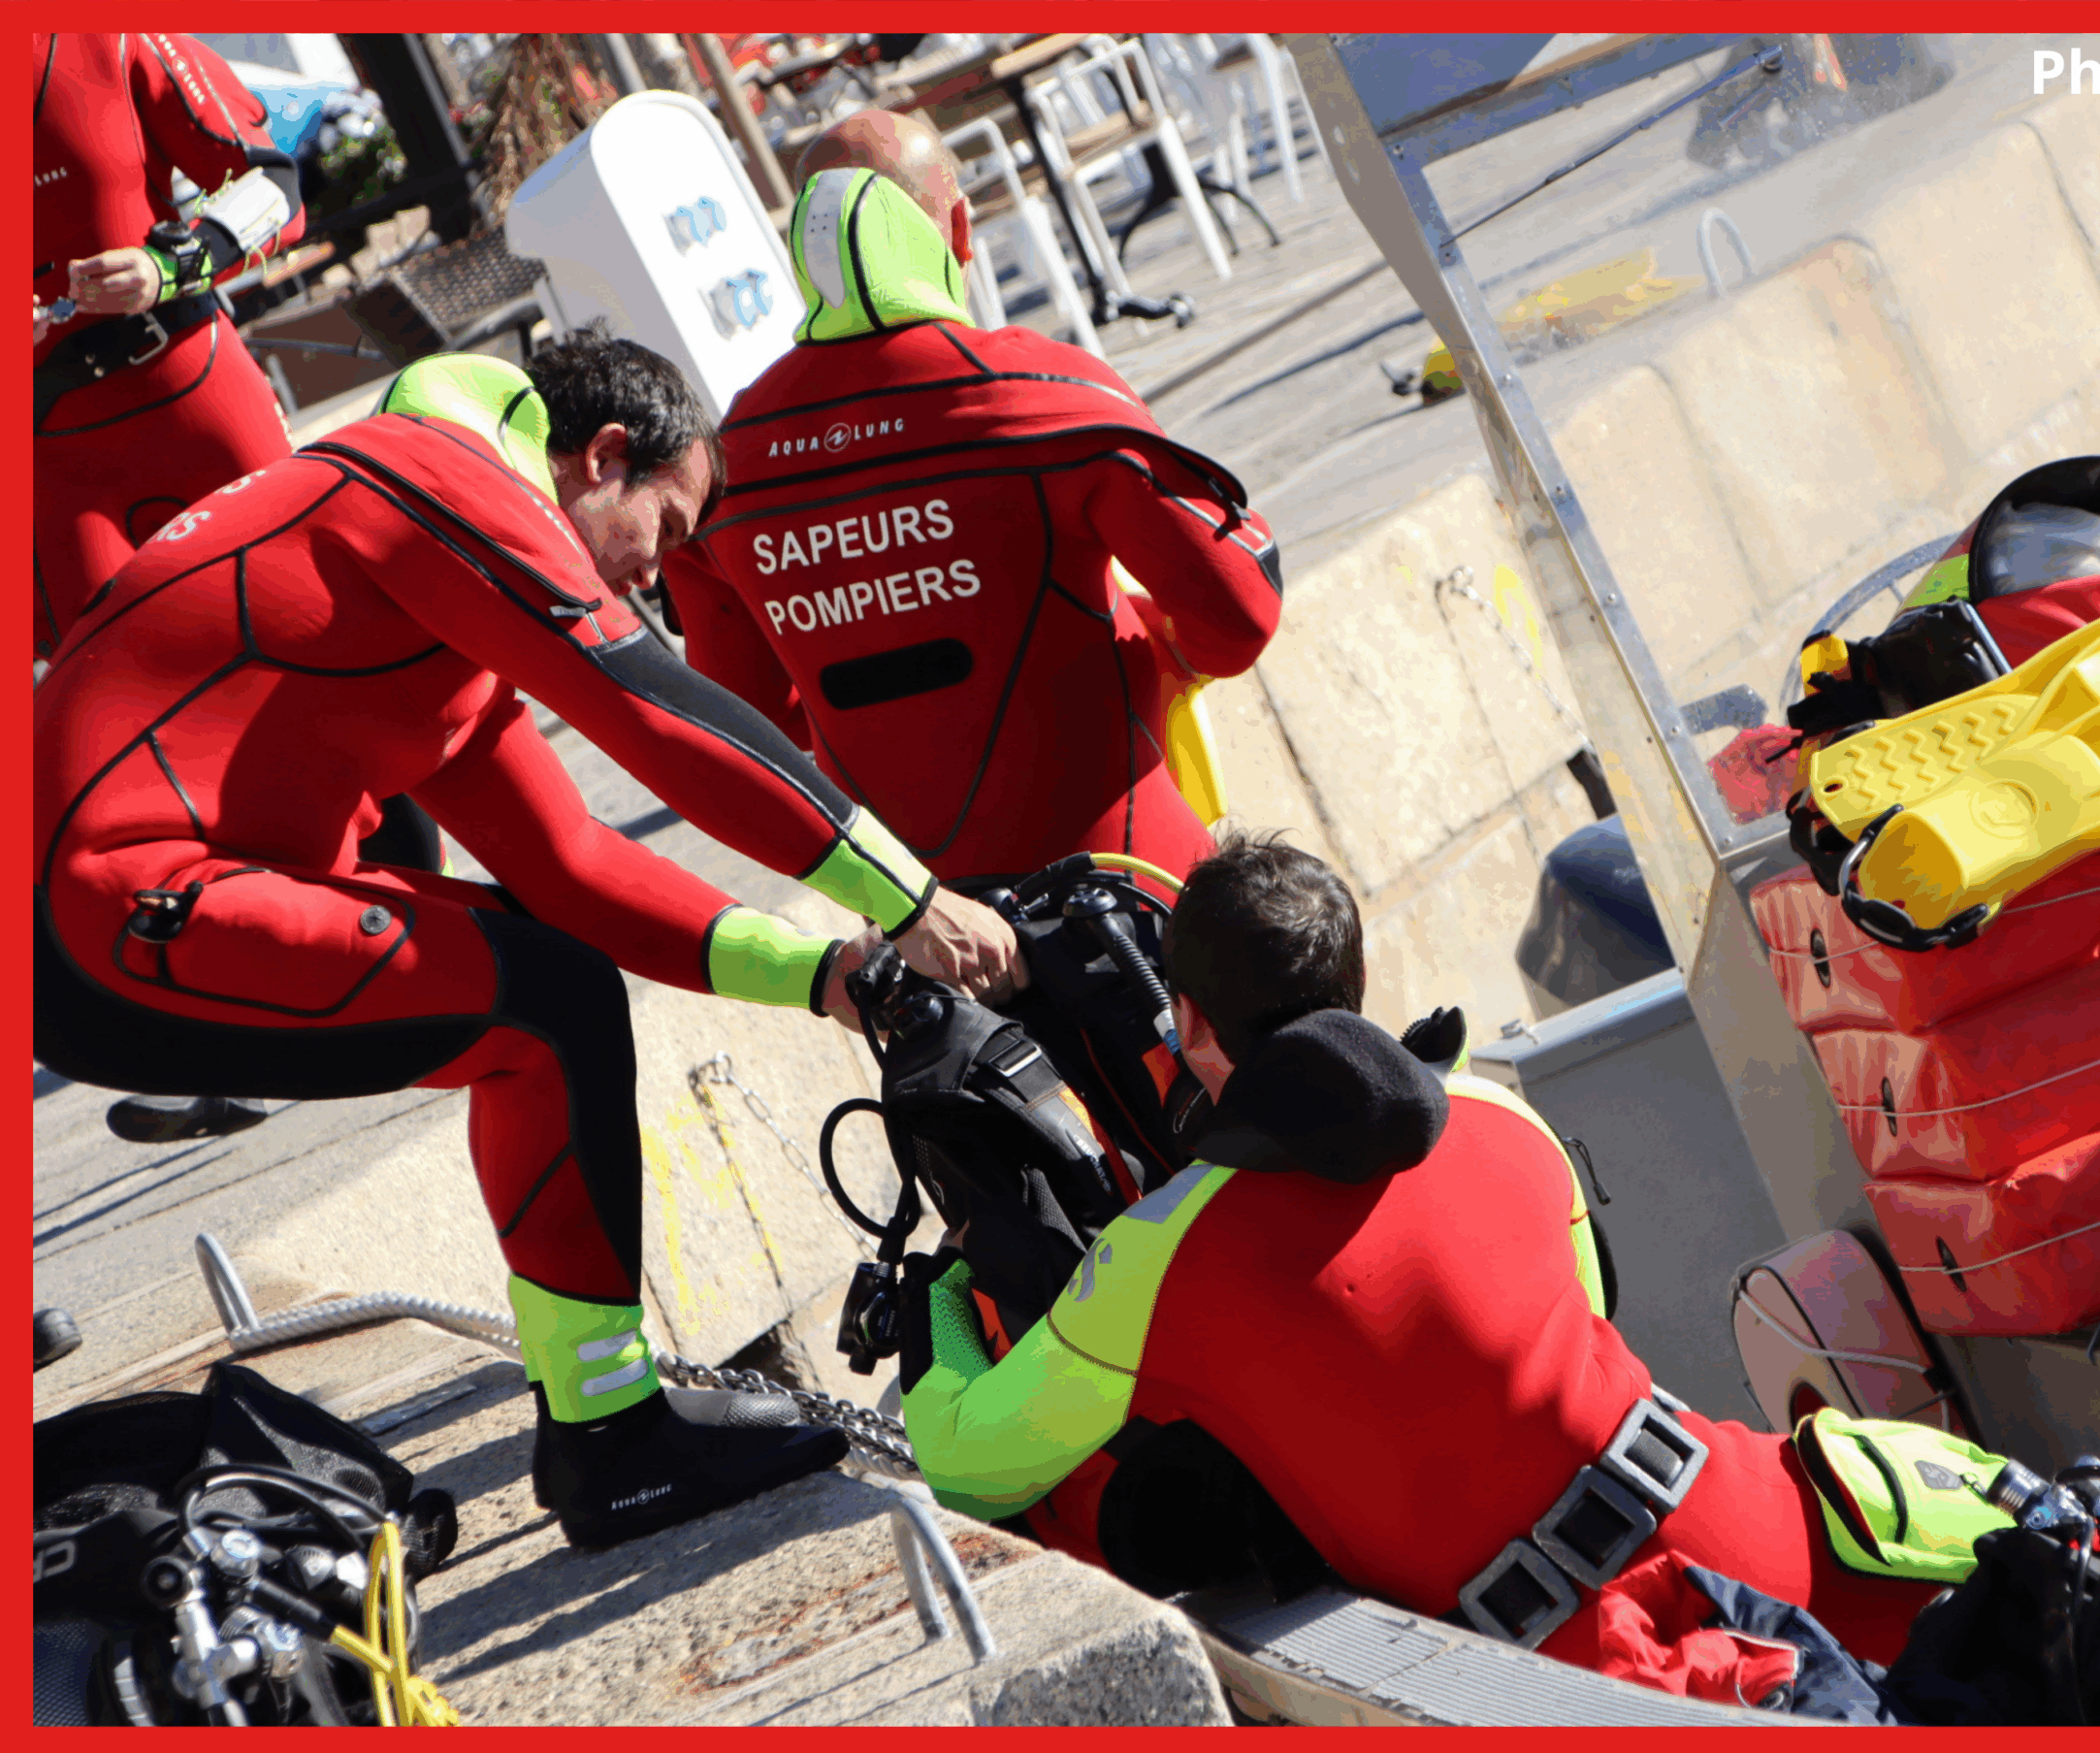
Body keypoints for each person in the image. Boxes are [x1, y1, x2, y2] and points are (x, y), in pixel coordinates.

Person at [34, 332, 1023, 1549]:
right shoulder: (439, 481)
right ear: (602, 458)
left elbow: (577, 867)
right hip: (105, 910)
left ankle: (600, 1414)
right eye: (662, 533)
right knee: (542, 1009)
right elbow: (656, 711)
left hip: (123, 903)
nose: (656, 582)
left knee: (548, 974)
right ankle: (609, 1438)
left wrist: (825, 975)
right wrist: (912, 895)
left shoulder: (437, 564)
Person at [895, 833, 1943, 1707]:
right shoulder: (1500, 1113)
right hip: (1784, 1534)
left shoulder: (1158, 1259)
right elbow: (1583, 1305)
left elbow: (967, 1462)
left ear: (1193, 1021)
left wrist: (941, 1298)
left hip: (1594, 1668)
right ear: (1350, 982)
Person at [661, 110, 1284, 896]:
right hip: (1132, 881)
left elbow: (752, 718)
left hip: (929, 927)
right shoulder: (1040, 395)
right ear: (959, 230)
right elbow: (1239, 613)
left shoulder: (730, 460)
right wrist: (1155, 652)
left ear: (806, 253)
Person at [33, 31, 306, 665]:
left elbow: (274, 183)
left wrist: (170, 266)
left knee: (325, 629)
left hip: (194, 397)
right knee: (122, 703)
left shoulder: (108, 36)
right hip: (51, 459)